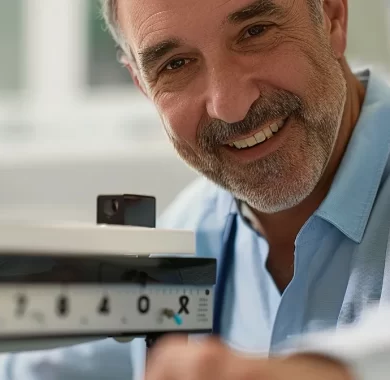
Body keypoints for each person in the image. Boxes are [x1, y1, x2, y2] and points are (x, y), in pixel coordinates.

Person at [97, 0, 390, 379]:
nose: (230, 105)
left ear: (332, 16)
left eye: (255, 32)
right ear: (143, 85)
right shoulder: (180, 237)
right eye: (176, 64)